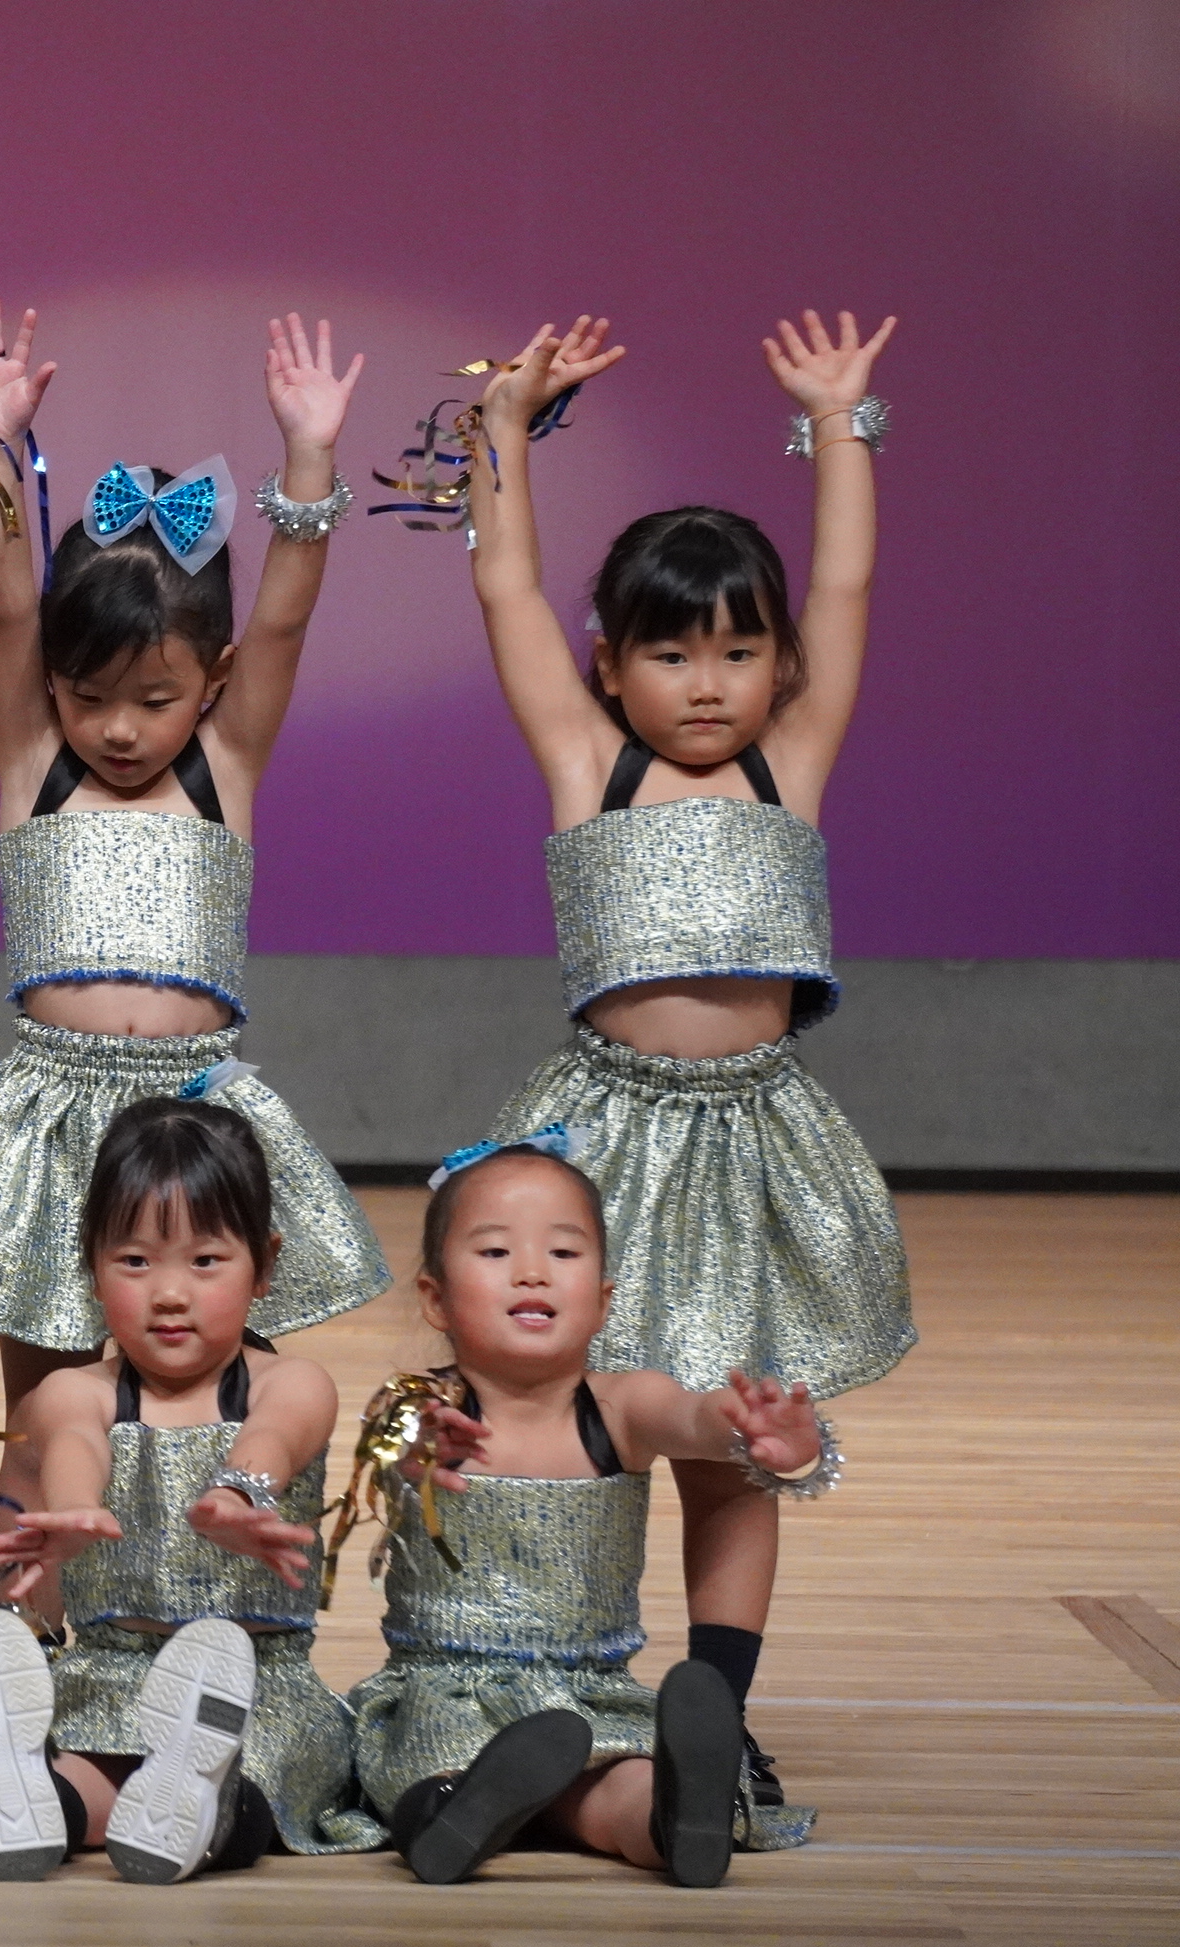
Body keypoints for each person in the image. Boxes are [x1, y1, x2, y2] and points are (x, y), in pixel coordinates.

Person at [459, 310, 904, 1794]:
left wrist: (836, 423)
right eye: (668, 652)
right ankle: (542, 1681)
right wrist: (505, 431)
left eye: (737, 651)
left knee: (728, 1444)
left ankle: (717, 1710)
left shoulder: (793, 757)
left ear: (779, 665)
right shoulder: (588, 763)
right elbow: (505, 582)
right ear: (607, 665)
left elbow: (844, 581)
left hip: (753, 1146)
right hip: (600, 1143)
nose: (706, 683)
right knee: (575, 1425)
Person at [0, 301, 388, 1422]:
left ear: (214, 678)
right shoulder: (33, 759)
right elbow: (7, 604)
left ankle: (214, 1542)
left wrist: (308, 454)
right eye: (89, 695)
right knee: (46, 1411)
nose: (120, 729)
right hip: (51, 1125)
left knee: (214, 1401)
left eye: (154, 698)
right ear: (51, 679)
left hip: (197, 1121)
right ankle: (34, 1547)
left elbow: (284, 621)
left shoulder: (225, 764)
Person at [343, 1134, 827, 1885]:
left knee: (625, 1782)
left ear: (603, 1299)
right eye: (496, 1252)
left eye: (564, 1253)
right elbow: (399, 1457)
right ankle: (457, 1815)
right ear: (435, 1298)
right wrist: (420, 1454)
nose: (533, 1271)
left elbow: (692, 1419)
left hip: (590, 1697)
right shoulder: (423, 1408)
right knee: (425, 1773)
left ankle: (671, 1823)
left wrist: (746, 1427)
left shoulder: (623, 1406)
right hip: (444, 1693)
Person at [0, 1097, 382, 1882]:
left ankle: (202, 1804)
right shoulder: (78, 1389)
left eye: (205, 1261)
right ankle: (31, 1798)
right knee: (83, 1778)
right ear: (92, 1265)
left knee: (254, 1784)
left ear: (265, 1265)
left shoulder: (290, 1382)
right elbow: (73, 1441)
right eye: (136, 1261)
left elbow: (275, 1437)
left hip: (255, 1687)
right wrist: (77, 1510)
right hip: (112, 1674)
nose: (170, 1293)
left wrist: (240, 1494)